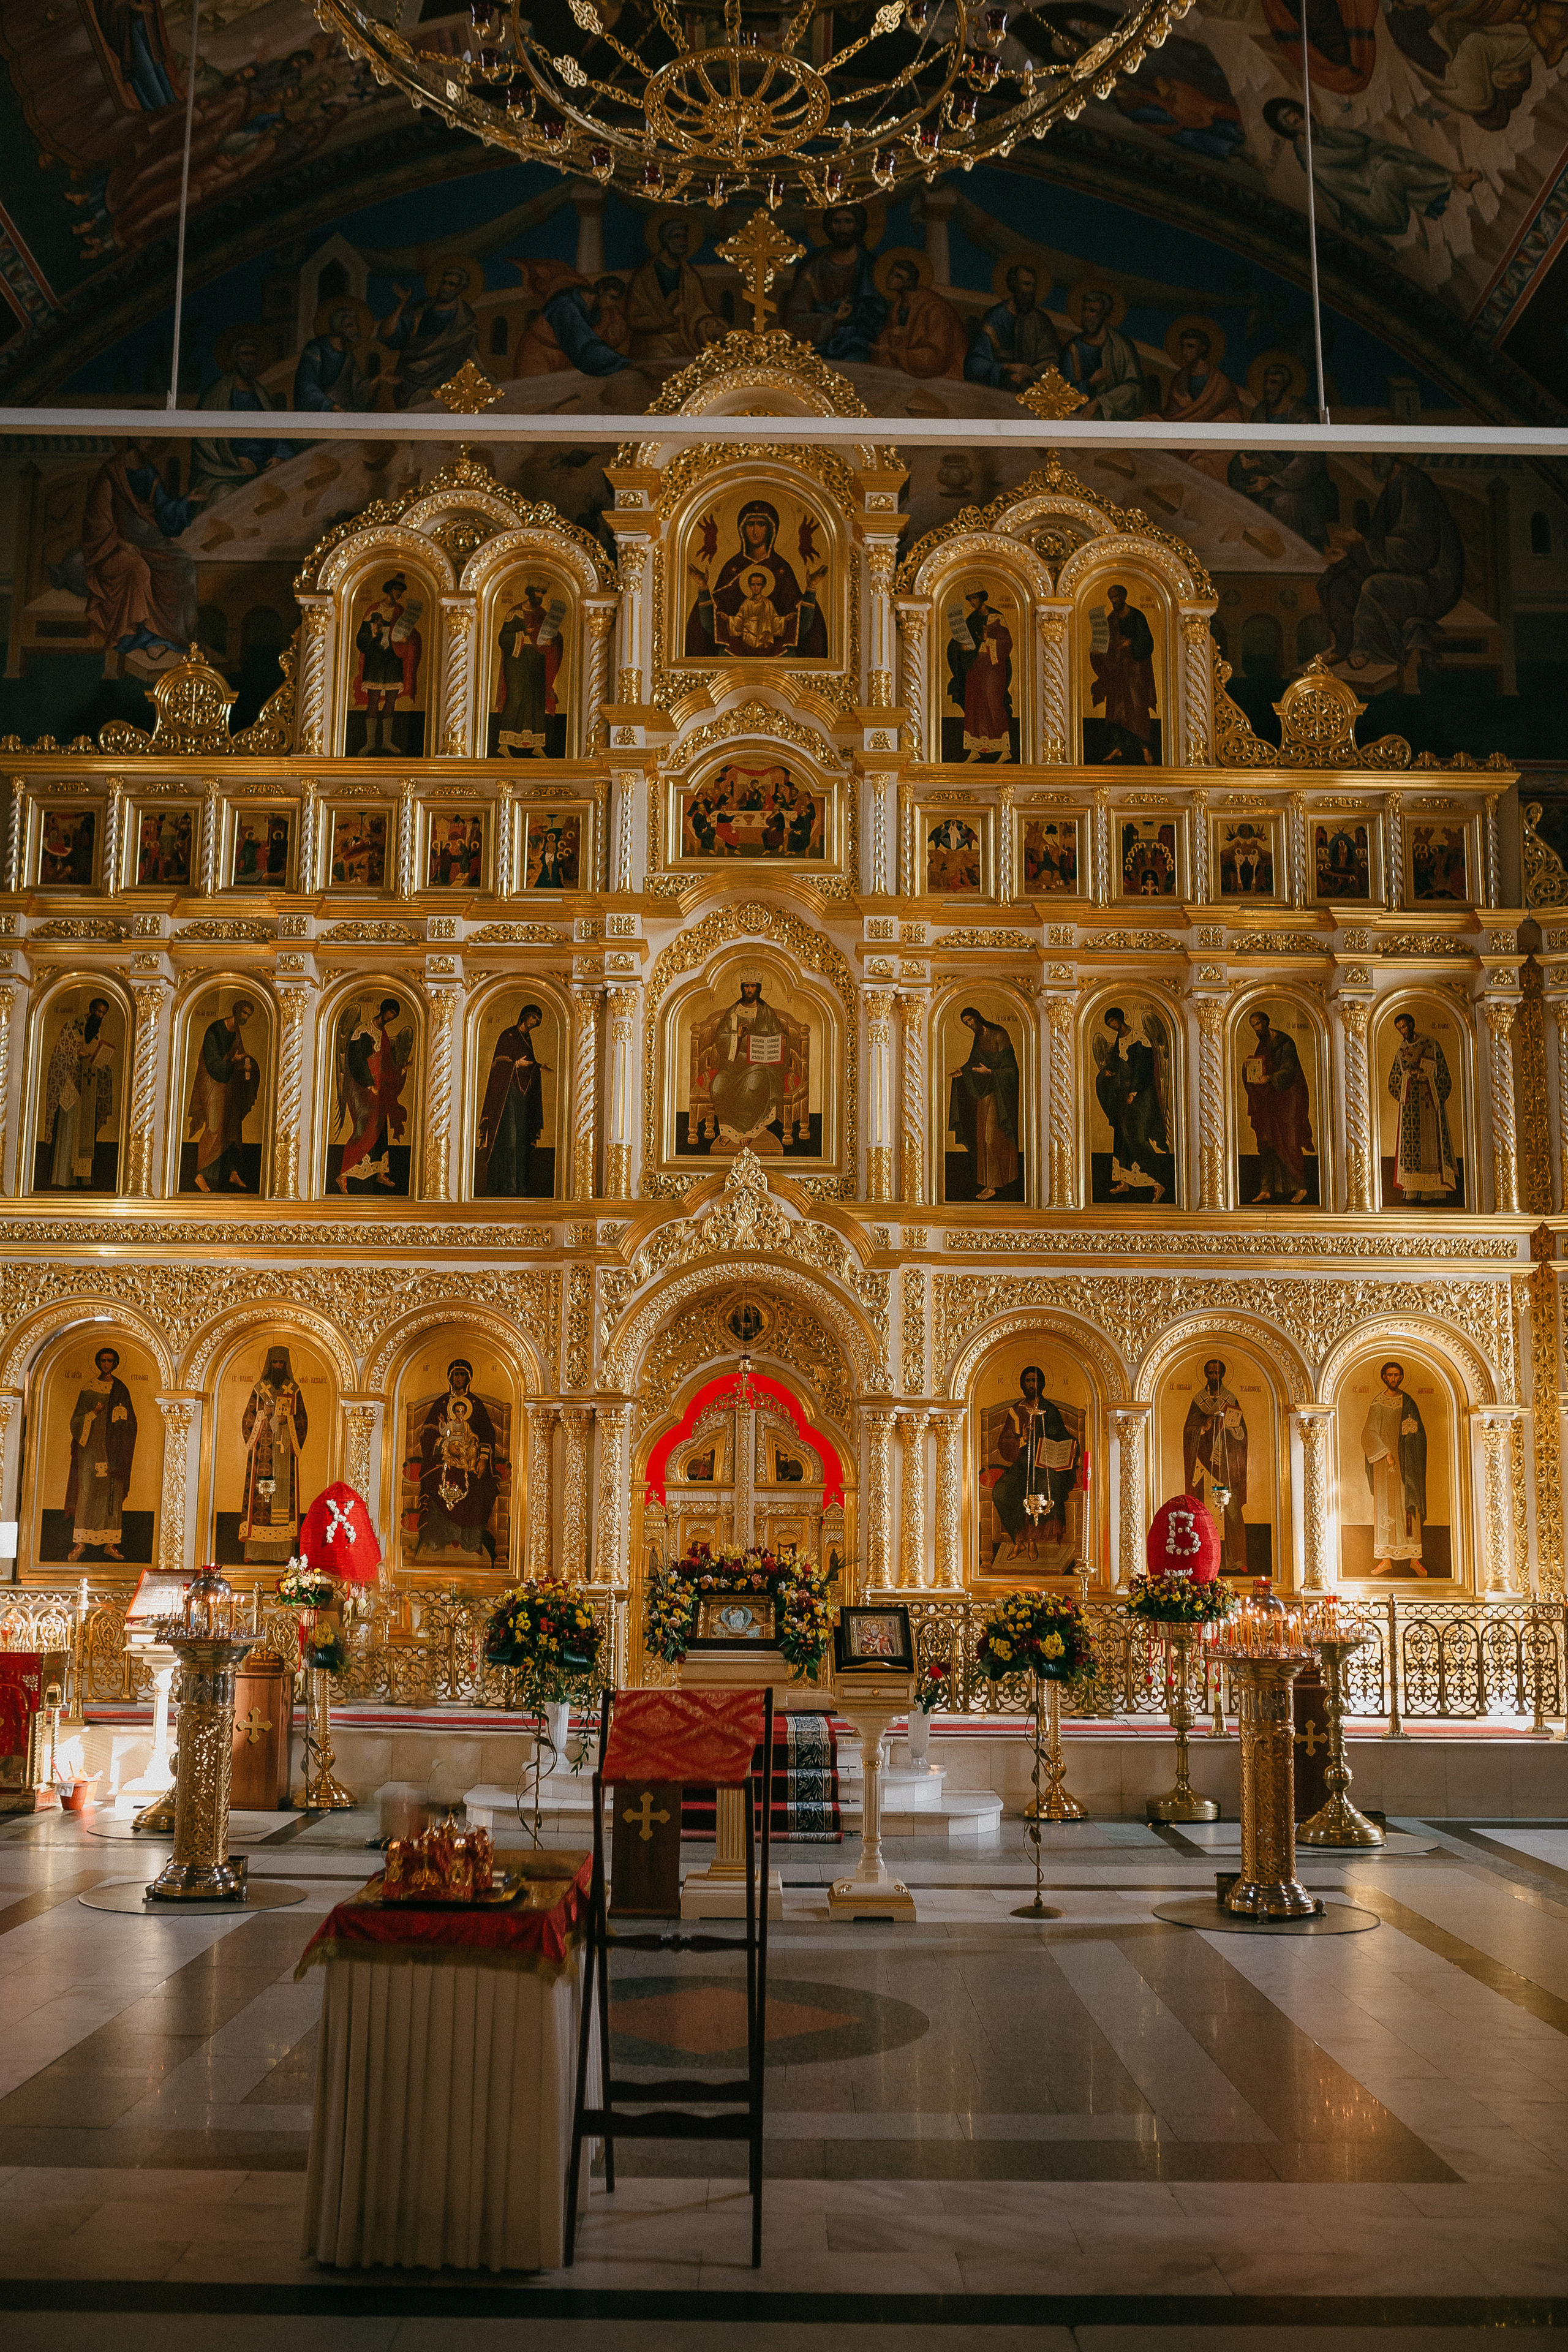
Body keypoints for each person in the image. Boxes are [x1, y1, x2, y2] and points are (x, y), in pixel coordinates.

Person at [1262, 96, 1480, 245]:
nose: (1303, 123)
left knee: (1383, 151)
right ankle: (1453, 180)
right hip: (1377, 212)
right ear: (1289, 132)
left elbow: (1363, 143)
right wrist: (1373, 160)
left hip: (1381, 194)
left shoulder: (1323, 134)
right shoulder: (1314, 161)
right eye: (1294, 124)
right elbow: (1355, 180)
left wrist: (1372, 155)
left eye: (1300, 117)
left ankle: (1453, 180)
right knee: (1387, 168)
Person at [1316, 456, 1464, 673]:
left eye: (1372, 457)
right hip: (1408, 569)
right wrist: (1350, 553)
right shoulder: (1393, 485)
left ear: (1389, 455)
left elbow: (1418, 550)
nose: (1365, 462)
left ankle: (1367, 647)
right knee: (1338, 579)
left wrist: (1361, 546)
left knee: (1373, 587)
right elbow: (1379, 539)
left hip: (1433, 582)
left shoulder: (1414, 485)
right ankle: (1344, 645)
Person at [80, 439, 204, 673]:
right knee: (140, 569)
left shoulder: (147, 470)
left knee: (184, 564)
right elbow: (97, 520)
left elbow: (163, 508)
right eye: (144, 435)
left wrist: (187, 501)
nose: (149, 441)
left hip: (147, 538)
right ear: (131, 437)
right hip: (111, 546)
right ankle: (137, 638)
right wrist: (118, 544)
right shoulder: (110, 474)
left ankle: (175, 637)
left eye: (151, 436)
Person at [685, 499, 827, 660]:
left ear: (771, 529)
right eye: (750, 524)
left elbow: (801, 626)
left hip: (778, 652)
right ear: (742, 529)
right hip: (734, 651)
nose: (755, 531)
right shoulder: (732, 568)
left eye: (761, 524)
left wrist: (811, 588)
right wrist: (703, 587)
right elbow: (712, 625)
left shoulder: (782, 569)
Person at [1227, 359, 1335, 551]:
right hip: (1266, 476)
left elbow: (1307, 461)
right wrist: (1245, 460)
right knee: (1240, 487)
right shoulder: (1261, 412)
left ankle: (1298, 552)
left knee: (1283, 502)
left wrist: (1271, 480)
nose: (1268, 387)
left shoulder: (1303, 415)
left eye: (1274, 383)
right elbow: (1252, 446)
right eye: (1266, 382)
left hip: (1303, 485)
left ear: (1286, 386)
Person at [990, 1366, 1079, 1562]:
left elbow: (1064, 1437)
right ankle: (1019, 1539)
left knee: (1041, 1488)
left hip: (1046, 1465)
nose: (1032, 1385)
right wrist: (1023, 1438)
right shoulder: (1015, 1411)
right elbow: (1004, 1443)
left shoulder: (1051, 1410)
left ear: (1042, 1384)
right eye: (1028, 1381)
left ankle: (1032, 1540)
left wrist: (1073, 1448)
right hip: (1023, 1464)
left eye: (1035, 1381)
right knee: (1001, 1491)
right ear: (1023, 1384)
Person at [416, 1360, 499, 1563]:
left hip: (471, 1460)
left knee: (480, 1486)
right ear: (450, 1378)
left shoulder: (476, 1404)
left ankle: (471, 1541)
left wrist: (482, 1458)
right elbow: (428, 1433)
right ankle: (440, 1538)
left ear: (469, 1378)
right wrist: (444, 1445)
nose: (459, 1379)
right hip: (444, 1459)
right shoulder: (443, 1403)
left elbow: (487, 1434)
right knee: (435, 1480)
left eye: (462, 1375)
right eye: (455, 1375)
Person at [189, 331, 288, 497]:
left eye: (253, 354)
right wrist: (235, 461)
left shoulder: (261, 395)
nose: (250, 359)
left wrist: (280, 456)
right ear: (234, 358)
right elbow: (205, 442)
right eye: (244, 354)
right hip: (226, 473)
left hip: (262, 470)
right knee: (224, 494)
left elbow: (276, 434)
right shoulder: (217, 395)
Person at [785, 205, 887, 361]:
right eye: (837, 222)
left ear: (858, 225)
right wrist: (834, 319)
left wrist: (856, 315)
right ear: (829, 226)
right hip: (819, 339)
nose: (842, 228)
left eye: (848, 221)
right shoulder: (813, 266)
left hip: (858, 341)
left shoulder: (870, 265)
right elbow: (795, 317)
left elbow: (880, 312)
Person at [64, 1346, 137, 1564]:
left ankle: (110, 1544)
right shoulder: (89, 1388)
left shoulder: (121, 1389)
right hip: (90, 1448)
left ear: (115, 1364)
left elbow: (132, 1422)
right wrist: (92, 1414)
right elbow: (75, 1421)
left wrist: (121, 1419)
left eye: (110, 1361)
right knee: (86, 1491)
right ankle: (80, 1544)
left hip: (113, 1450)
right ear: (98, 1363)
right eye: (103, 1361)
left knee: (111, 1493)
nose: (106, 1364)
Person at [238, 1345, 307, 1566]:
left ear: (286, 1366)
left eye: (282, 1363)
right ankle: (254, 1550)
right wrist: (263, 1415)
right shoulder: (260, 1390)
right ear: (269, 1364)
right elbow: (247, 1420)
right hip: (262, 1456)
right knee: (259, 1502)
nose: (278, 1367)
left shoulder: (293, 1390)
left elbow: (303, 1421)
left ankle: (284, 1552)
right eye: (275, 1363)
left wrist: (289, 1423)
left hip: (284, 1454)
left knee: (284, 1502)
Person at [335, 997, 412, 1191]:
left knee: (380, 1127)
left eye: (394, 1016)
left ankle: (380, 1173)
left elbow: (386, 1063)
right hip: (360, 1087)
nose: (391, 1018)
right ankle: (342, 1175)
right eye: (390, 1013)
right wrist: (369, 1085)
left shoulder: (383, 1034)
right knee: (365, 1128)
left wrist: (401, 1069)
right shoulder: (362, 1031)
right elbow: (356, 1061)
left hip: (378, 1088)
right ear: (383, 1010)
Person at [1094, 1007, 1170, 1200]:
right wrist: (1110, 1072)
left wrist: (1134, 1093)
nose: (1112, 1025)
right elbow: (1118, 1064)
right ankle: (1124, 1181)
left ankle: (1158, 1182)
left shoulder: (1140, 1039)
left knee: (1135, 1137)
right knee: (1121, 1135)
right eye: (1109, 1024)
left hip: (1140, 1095)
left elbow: (1143, 1069)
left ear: (1120, 1019)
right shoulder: (1120, 1040)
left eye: (1113, 1021)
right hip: (1123, 1094)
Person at [626, 217, 725, 365]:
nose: (682, 241)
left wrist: (709, 323)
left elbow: (699, 309)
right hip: (652, 342)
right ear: (666, 240)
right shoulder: (645, 276)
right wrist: (671, 317)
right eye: (677, 236)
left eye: (684, 237)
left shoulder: (689, 276)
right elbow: (635, 320)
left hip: (684, 341)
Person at [377, 264, 478, 405]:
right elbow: (388, 336)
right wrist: (403, 303)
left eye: (451, 284)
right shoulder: (421, 310)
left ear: (461, 289)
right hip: (412, 384)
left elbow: (471, 355)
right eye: (444, 282)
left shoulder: (466, 320)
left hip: (448, 383)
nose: (445, 287)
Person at [1182, 1358, 1248, 1573]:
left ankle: (1236, 1560)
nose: (1214, 1377)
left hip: (1226, 1465)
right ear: (1206, 1375)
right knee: (1202, 1509)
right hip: (1203, 1464)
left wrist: (1233, 1428)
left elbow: (1242, 1436)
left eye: (1218, 1373)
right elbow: (1188, 1431)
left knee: (1232, 1510)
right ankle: (1201, 1561)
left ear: (1222, 1375)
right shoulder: (1199, 1400)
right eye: (1210, 1373)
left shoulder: (1231, 1399)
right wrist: (1203, 1426)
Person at [186, 998, 259, 1193]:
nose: (245, 1018)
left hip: (228, 1082)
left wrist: (245, 1062)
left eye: (248, 1015)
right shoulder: (216, 1029)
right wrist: (231, 1061)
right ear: (236, 1011)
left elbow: (239, 1053)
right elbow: (211, 1060)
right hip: (212, 1080)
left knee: (232, 1126)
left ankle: (232, 1172)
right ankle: (199, 1174)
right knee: (214, 1127)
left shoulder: (236, 1031)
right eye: (244, 1013)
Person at [1242, 1007, 1314, 1202]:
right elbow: (1258, 1067)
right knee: (1267, 1143)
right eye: (1253, 1026)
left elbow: (1290, 1071)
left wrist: (1270, 1078)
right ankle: (1266, 1189)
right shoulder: (1262, 1045)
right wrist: (1250, 1072)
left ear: (1266, 1022)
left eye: (1257, 1024)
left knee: (1290, 1142)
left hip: (1288, 1100)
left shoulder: (1284, 1042)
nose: (1256, 1029)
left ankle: (1301, 1187)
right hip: (1269, 1102)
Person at [1362, 1360, 1427, 1575]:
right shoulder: (1378, 1402)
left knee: (1409, 1508)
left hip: (1407, 1465)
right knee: (1385, 1509)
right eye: (1389, 1375)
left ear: (1401, 1377)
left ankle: (1414, 1559)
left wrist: (1412, 1437)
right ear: (1383, 1377)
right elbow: (1369, 1433)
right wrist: (1386, 1453)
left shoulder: (1408, 1402)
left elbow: (1420, 1435)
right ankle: (1386, 1559)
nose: (1394, 1379)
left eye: (1397, 1375)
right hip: (1384, 1465)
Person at [949, 1006, 1020, 1200]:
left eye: (970, 1020)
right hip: (985, 1095)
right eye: (966, 1023)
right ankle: (990, 1184)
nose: (970, 1025)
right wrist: (962, 1072)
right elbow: (974, 1063)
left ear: (978, 1017)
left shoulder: (1000, 1035)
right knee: (982, 1139)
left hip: (1001, 1095)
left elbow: (1012, 1070)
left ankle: (999, 1181)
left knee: (992, 1138)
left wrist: (991, 1073)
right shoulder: (978, 1039)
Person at [43, 999, 115, 1191]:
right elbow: (61, 1053)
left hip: (88, 1087)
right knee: (68, 1130)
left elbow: (94, 1053)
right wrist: (79, 1054)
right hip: (70, 1085)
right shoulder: (72, 1026)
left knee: (84, 1132)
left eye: (104, 1013)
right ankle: (63, 1177)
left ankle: (83, 1178)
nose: (100, 1016)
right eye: (99, 1012)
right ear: (91, 1010)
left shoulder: (96, 1031)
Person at [512, 262, 631, 375]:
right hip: (538, 360)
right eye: (612, 298)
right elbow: (584, 346)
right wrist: (621, 363)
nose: (613, 304)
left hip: (561, 360)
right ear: (601, 291)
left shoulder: (597, 310)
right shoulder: (566, 306)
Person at [478, 1002, 546, 1196]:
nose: (534, 1022)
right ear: (525, 1016)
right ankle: (506, 1184)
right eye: (533, 1018)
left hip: (522, 1097)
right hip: (507, 1095)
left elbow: (529, 1063)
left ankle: (518, 1185)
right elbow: (498, 1062)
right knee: (509, 1139)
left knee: (521, 1141)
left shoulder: (527, 1039)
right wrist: (515, 1064)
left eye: (537, 1021)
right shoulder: (508, 1035)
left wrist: (537, 1067)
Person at [1388, 1011, 1457, 1199]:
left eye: (1404, 1026)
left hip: (1429, 1103)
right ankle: (1412, 1188)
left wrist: (1428, 1078)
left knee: (1432, 1145)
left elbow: (1443, 1075)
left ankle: (1435, 1191)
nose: (1403, 1031)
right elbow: (1394, 1081)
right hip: (1410, 1105)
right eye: (1399, 1029)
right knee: (1411, 1148)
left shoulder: (1431, 1045)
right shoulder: (1402, 1051)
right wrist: (1407, 1077)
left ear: (1412, 1024)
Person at [352, 574, 422, 753]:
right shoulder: (373, 610)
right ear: (390, 589)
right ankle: (370, 743)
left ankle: (386, 742)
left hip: (392, 659)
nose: (399, 594)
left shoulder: (399, 611)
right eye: (397, 590)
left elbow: (410, 635)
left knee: (391, 701)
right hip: (375, 660)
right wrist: (373, 637)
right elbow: (361, 640)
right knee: (373, 700)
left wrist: (407, 639)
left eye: (401, 591)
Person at [965, 262, 1062, 390]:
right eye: (1026, 284)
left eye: (1034, 286)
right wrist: (1007, 368)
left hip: (1031, 389)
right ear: (1014, 286)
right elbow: (975, 364)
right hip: (997, 389)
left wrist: (1028, 375)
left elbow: (1051, 359)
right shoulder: (996, 318)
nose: (1031, 290)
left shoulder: (1041, 321)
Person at [1161, 325, 1242, 480]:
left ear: (1203, 349)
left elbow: (1233, 418)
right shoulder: (1180, 378)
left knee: (1202, 464)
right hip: (1182, 431)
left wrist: (1192, 412)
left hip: (1211, 439)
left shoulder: (1220, 383)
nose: (1185, 352)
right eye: (1183, 346)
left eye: (1191, 346)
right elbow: (1170, 415)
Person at [1090, 584, 1158, 762]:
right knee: (1116, 712)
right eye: (1111, 597)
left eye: (1116, 597)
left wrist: (1131, 643)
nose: (1113, 601)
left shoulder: (1137, 616)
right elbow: (1108, 644)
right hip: (1118, 672)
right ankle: (1117, 748)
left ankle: (1145, 748)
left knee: (1136, 709)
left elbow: (1147, 642)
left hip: (1136, 672)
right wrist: (1098, 652)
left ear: (1124, 596)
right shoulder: (1111, 619)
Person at [946, 587, 1014, 761]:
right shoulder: (971, 620)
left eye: (974, 598)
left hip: (993, 668)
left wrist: (988, 640)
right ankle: (975, 749)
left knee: (993, 704)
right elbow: (969, 642)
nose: (972, 602)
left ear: (982, 598)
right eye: (970, 599)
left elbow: (1007, 644)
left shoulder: (996, 617)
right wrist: (965, 647)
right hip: (975, 667)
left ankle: (1004, 750)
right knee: (974, 706)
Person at [872, 257, 966, 379]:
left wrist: (896, 353)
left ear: (909, 283)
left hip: (943, 378)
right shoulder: (898, 306)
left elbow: (936, 356)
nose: (890, 278)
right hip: (908, 373)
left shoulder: (935, 309)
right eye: (891, 273)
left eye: (898, 276)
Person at [495, 585, 562, 755]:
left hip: (536, 661)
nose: (539, 598)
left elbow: (553, 638)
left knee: (537, 700)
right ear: (530, 594)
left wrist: (550, 642)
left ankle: (537, 746)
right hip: (517, 662)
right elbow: (503, 639)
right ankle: (504, 745)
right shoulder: (515, 613)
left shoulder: (542, 615)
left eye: (542, 596)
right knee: (516, 697)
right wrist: (525, 633)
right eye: (537, 595)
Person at [1060, 288, 1144, 418]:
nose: (1087, 315)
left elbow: (1134, 388)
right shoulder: (1073, 347)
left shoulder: (1121, 347)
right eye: (1085, 309)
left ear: (1104, 314)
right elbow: (1063, 391)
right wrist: (1090, 381)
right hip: (1077, 415)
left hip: (1109, 417)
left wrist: (1101, 401)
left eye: (1093, 311)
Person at [293, 303, 379, 412]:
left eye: (356, 325)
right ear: (338, 327)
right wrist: (330, 406)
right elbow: (306, 386)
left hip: (346, 411)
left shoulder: (348, 355)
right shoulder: (316, 349)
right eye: (350, 325)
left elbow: (358, 387)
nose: (356, 329)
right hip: (325, 412)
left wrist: (378, 380)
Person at [733, 570, 787, 654]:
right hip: (748, 636)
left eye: (758, 585)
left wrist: (784, 620)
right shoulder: (746, 603)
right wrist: (729, 619)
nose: (756, 587)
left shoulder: (767, 603)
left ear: (763, 586)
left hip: (763, 636)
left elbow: (774, 619)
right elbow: (740, 618)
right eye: (753, 585)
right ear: (749, 586)